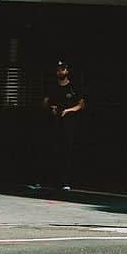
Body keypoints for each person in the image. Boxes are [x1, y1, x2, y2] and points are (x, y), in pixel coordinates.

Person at [28, 59, 85, 192]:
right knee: (47, 151)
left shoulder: (73, 87)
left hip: (68, 124)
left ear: (67, 71)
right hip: (53, 124)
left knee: (66, 152)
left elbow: (81, 105)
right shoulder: (52, 87)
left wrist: (68, 110)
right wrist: (50, 107)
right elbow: (44, 102)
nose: (60, 71)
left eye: (63, 69)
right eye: (59, 69)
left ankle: (65, 182)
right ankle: (40, 181)